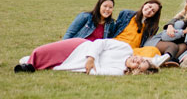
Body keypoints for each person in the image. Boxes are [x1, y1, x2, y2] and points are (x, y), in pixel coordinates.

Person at [14, 39, 159, 76]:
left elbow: (95, 72)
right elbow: (100, 43)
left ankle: (27, 65)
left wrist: (91, 65)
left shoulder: (119, 71)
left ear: (134, 71)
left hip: (76, 64)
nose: (137, 62)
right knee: (40, 51)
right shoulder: (125, 48)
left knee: (48, 65)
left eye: (138, 67)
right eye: (142, 61)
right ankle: (30, 63)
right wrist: (91, 58)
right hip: (79, 47)